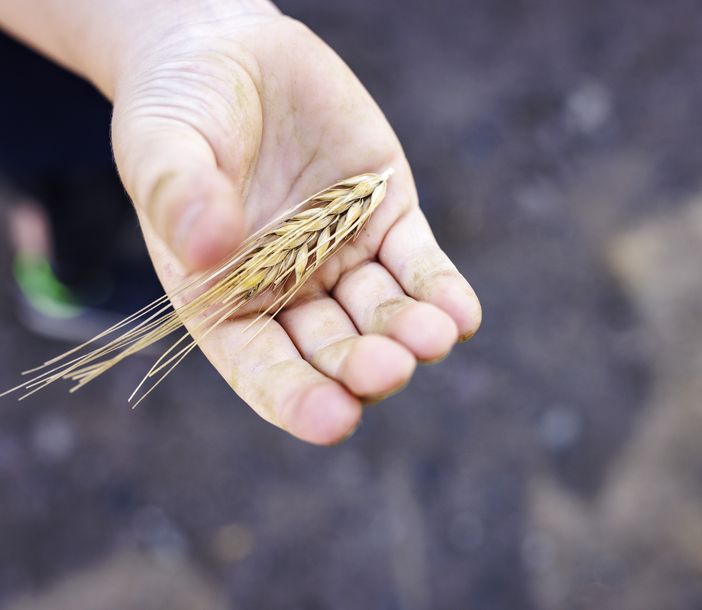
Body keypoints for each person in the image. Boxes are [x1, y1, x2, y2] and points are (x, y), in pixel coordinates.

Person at [0, 0, 481, 445]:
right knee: (67, 186)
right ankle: (61, 280)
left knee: (159, 170)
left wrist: (186, 23)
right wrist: (171, 31)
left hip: (118, 52)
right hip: (36, 78)